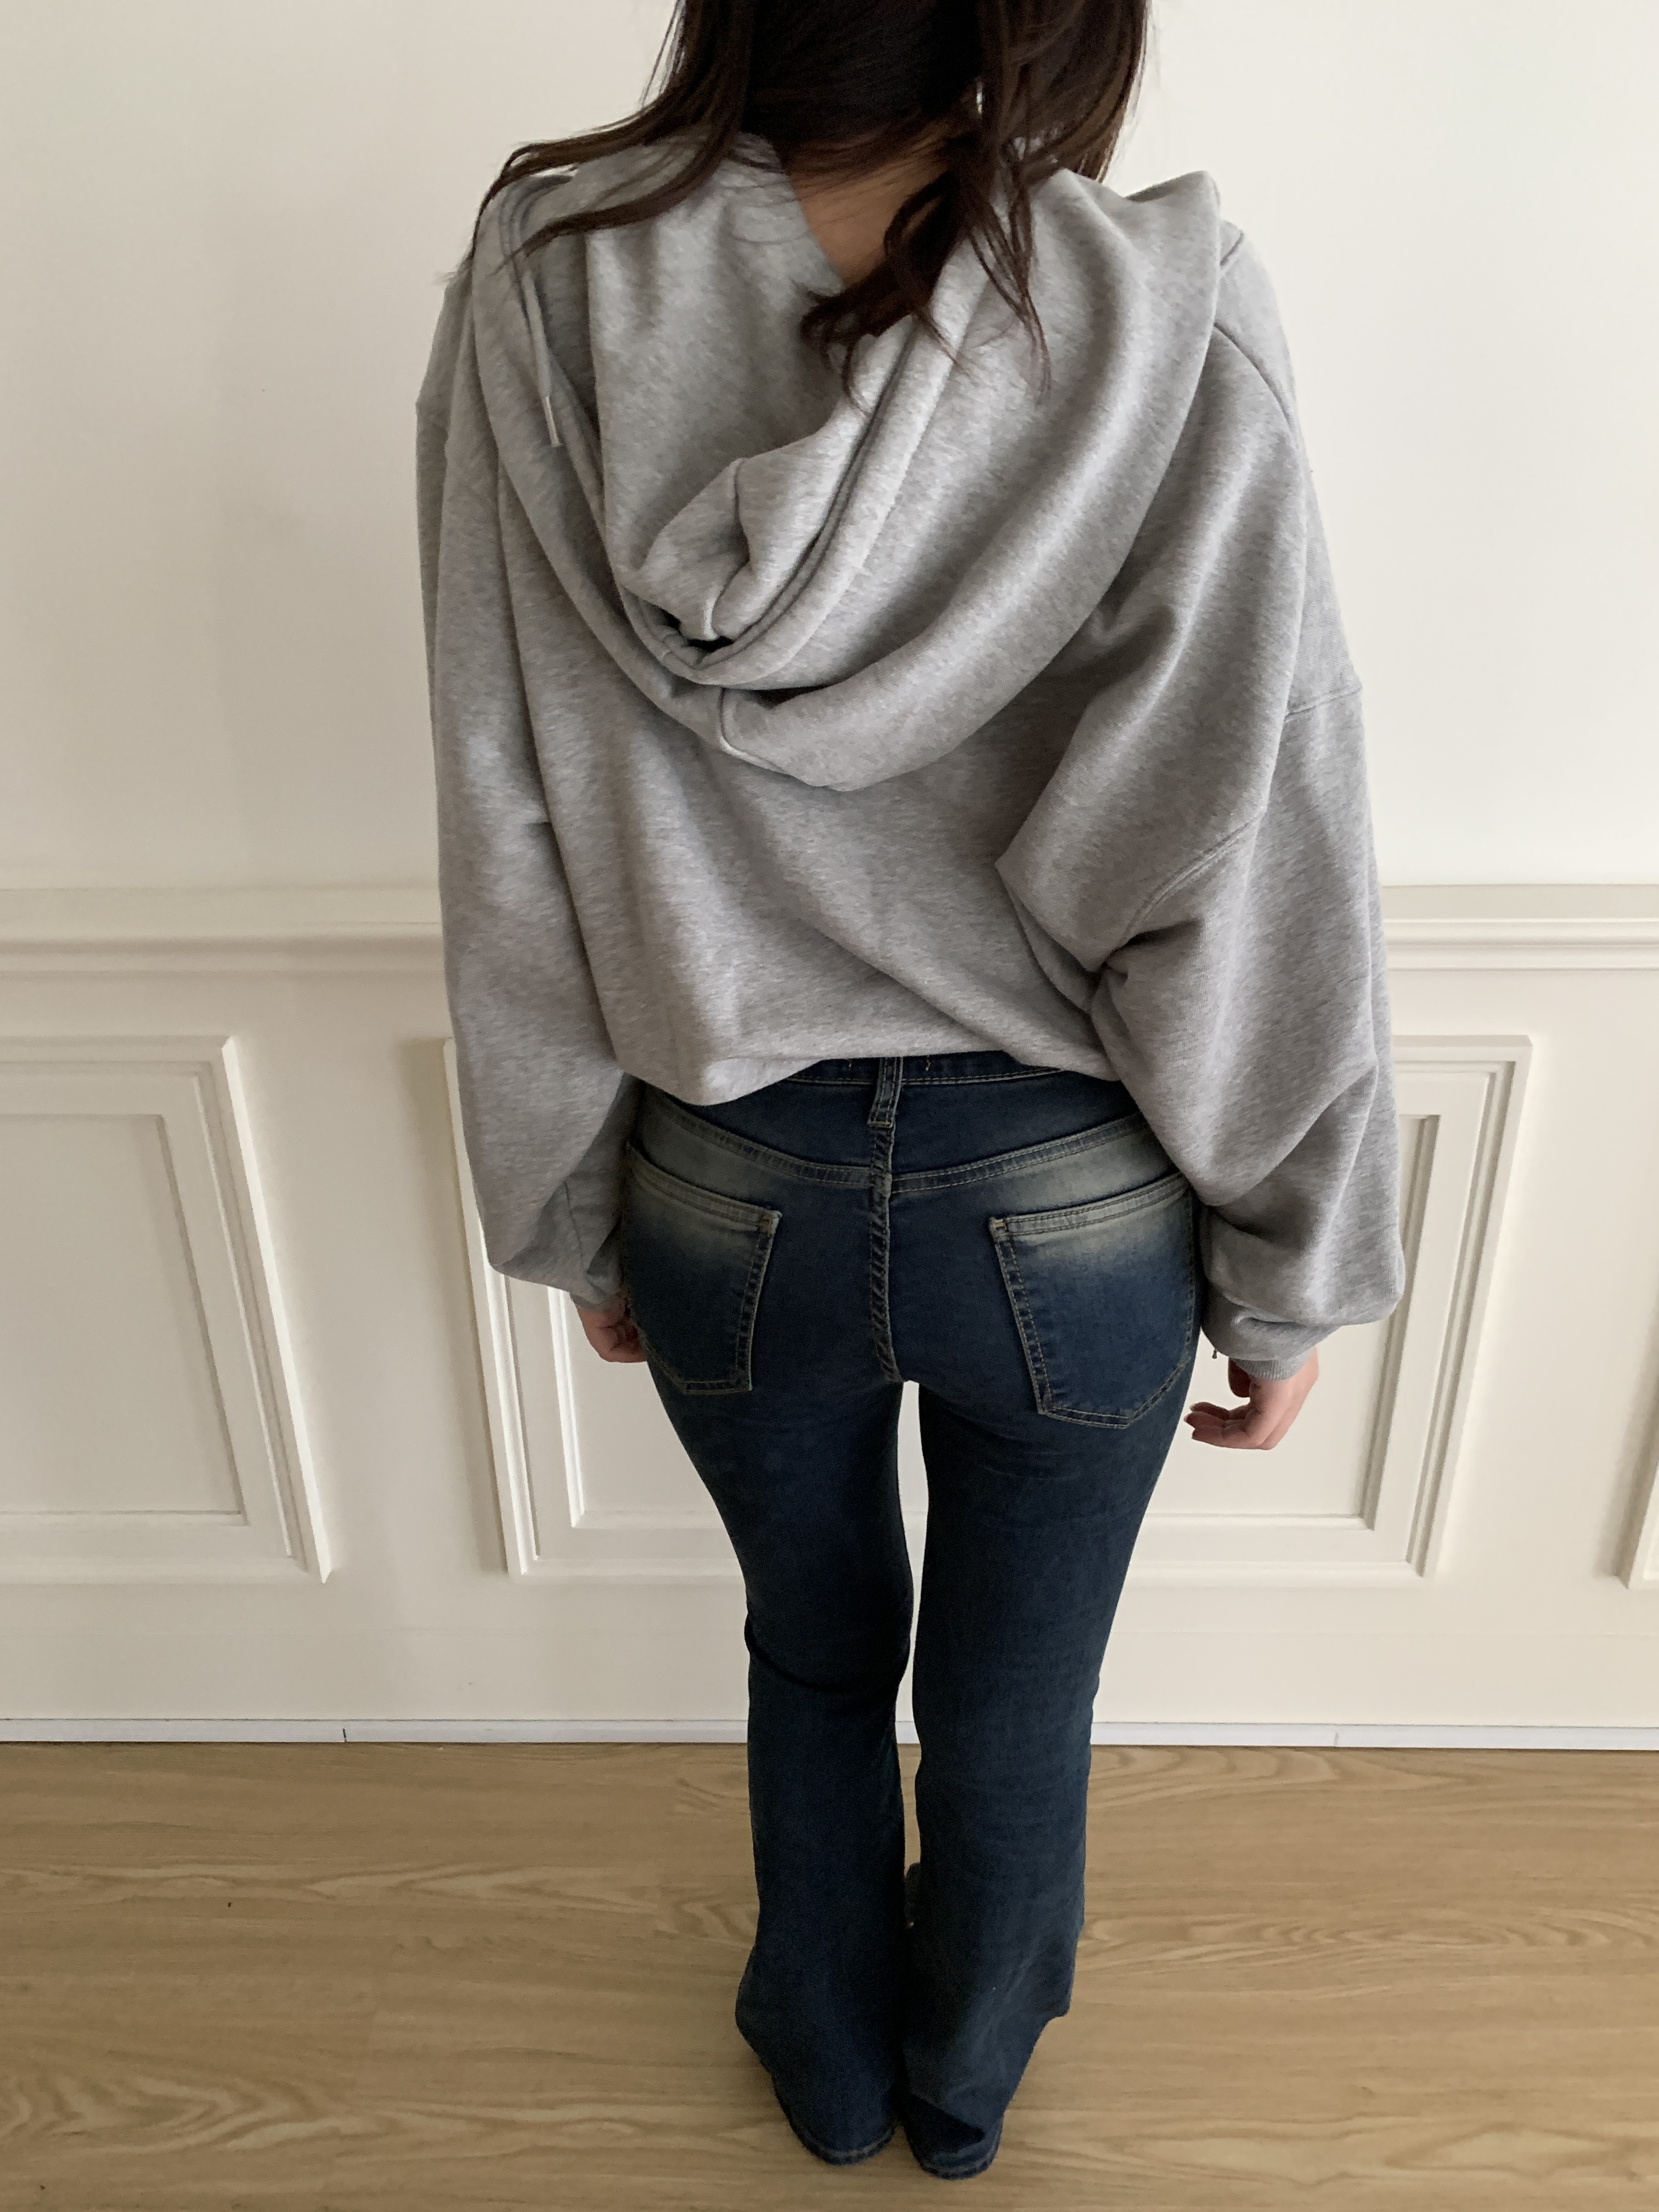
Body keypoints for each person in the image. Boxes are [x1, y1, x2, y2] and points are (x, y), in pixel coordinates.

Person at [417, 0, 1407, 2179]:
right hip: (1072, 1189)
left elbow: (507, 801)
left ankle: (827, 2056)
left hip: (724, 1174)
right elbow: (1249, 822)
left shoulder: (552, 273)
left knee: (811, 1649)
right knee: (1013, 1694)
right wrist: (1292, 1260)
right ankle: (964, 2083)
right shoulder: (1151, 301)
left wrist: (571, 1200)